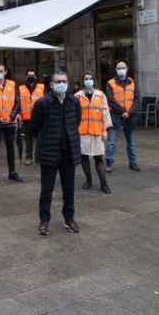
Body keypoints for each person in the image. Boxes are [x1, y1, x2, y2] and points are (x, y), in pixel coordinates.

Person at [32, 72, 82, 236]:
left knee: (69, 189)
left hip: (68, 152)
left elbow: (77, 121)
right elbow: (34, 127)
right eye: (58, 81)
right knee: (47, 190)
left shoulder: (73, 101)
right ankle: (44, 221)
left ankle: (69, 219)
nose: (61, 84)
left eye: (64, 81)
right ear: (51, 84)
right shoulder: (42, 103)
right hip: (49, 152)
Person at [75, 74, 112, 194]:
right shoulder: (77, 96)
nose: (88, 81)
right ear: (82, 81)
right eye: (86, 79)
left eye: (90, 79)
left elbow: (105, 112)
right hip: (82, 132)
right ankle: (89, 180)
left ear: (94, 81)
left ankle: (104, 184)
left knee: (98, 158)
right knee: (84, 157)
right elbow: (73, 115)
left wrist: (105, 129)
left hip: (97, 131)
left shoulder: (100, 95)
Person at [105, 61, 140, 173]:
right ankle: (109, 163)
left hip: (130, 116)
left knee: (131, 141)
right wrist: (122, 112)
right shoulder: (110, 83)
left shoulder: (133, 82)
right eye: (119, 68)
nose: (121, 70)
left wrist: (129, 112)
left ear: (127, 68)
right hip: (116, 116)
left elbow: (136, 99)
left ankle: (133, 162)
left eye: (123, 67)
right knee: (112, 141)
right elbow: (110, 101)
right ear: (115, 69)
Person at [18, 69, 45, 165]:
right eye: (29, 75)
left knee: (40, 138)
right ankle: (28, 157)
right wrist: (18, 114)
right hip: (26, 118)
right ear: (26, 77)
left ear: (35, 77)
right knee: (28, 139)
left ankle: (40, 157)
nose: (31, 77)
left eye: (32, 75)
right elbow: (18, 102)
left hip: (39, 118)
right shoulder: (21, 88)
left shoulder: (41, 87)